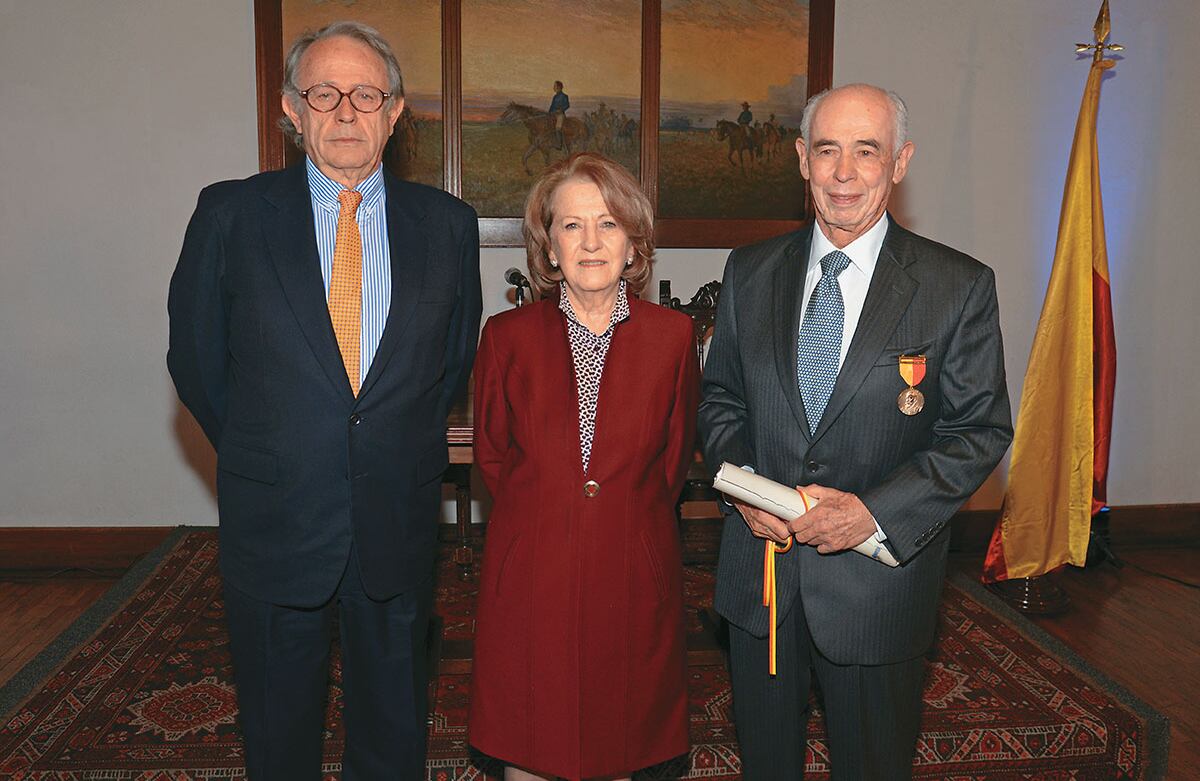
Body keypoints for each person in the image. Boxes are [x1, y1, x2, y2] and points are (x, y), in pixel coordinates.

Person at [167, 20, 481, 781]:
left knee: (393, 732)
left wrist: (382, 441)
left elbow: (448, 364)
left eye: (366, 94)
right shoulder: (230, 216)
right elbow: (197, 361)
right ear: (291, 109)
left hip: (395, 517)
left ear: (395, 112)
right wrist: (269, 448)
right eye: (324, 93)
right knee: (278, 732)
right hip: (275, 516)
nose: (345, 111)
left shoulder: (447, 226)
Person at [698, 83, 1013, 779]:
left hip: (877, 591)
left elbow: (978, 431)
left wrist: (872, 513)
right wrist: (743, 490)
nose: (843, 173)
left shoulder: (956, 285)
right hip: (762, 581)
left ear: (899, 162)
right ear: (801, 159)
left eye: (866, 151)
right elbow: (721, 398)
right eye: (827, 150)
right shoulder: (749, 271)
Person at [468, 152, 699, 781]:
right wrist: (552, 512)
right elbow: (493, 455)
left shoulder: (674, 338)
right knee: (529, 740)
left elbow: (673, 461)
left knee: (616, 742)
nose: (591, 242)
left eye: (608, 224)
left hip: (630, 568)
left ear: (633, 244)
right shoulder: (505, 337)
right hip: (532, 571)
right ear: (549, 247)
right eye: (572, 225)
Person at [549, 80, 570, 149]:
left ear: (559, 87)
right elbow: (552, 106)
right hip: (553, 114)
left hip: (560, 115)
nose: (553, 88)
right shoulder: (555, 97)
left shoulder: (565, 96)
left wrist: (560, 110)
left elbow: (567, 105)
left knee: (558, 127)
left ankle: (559, 144)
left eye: (555, 86)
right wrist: (549, 113)